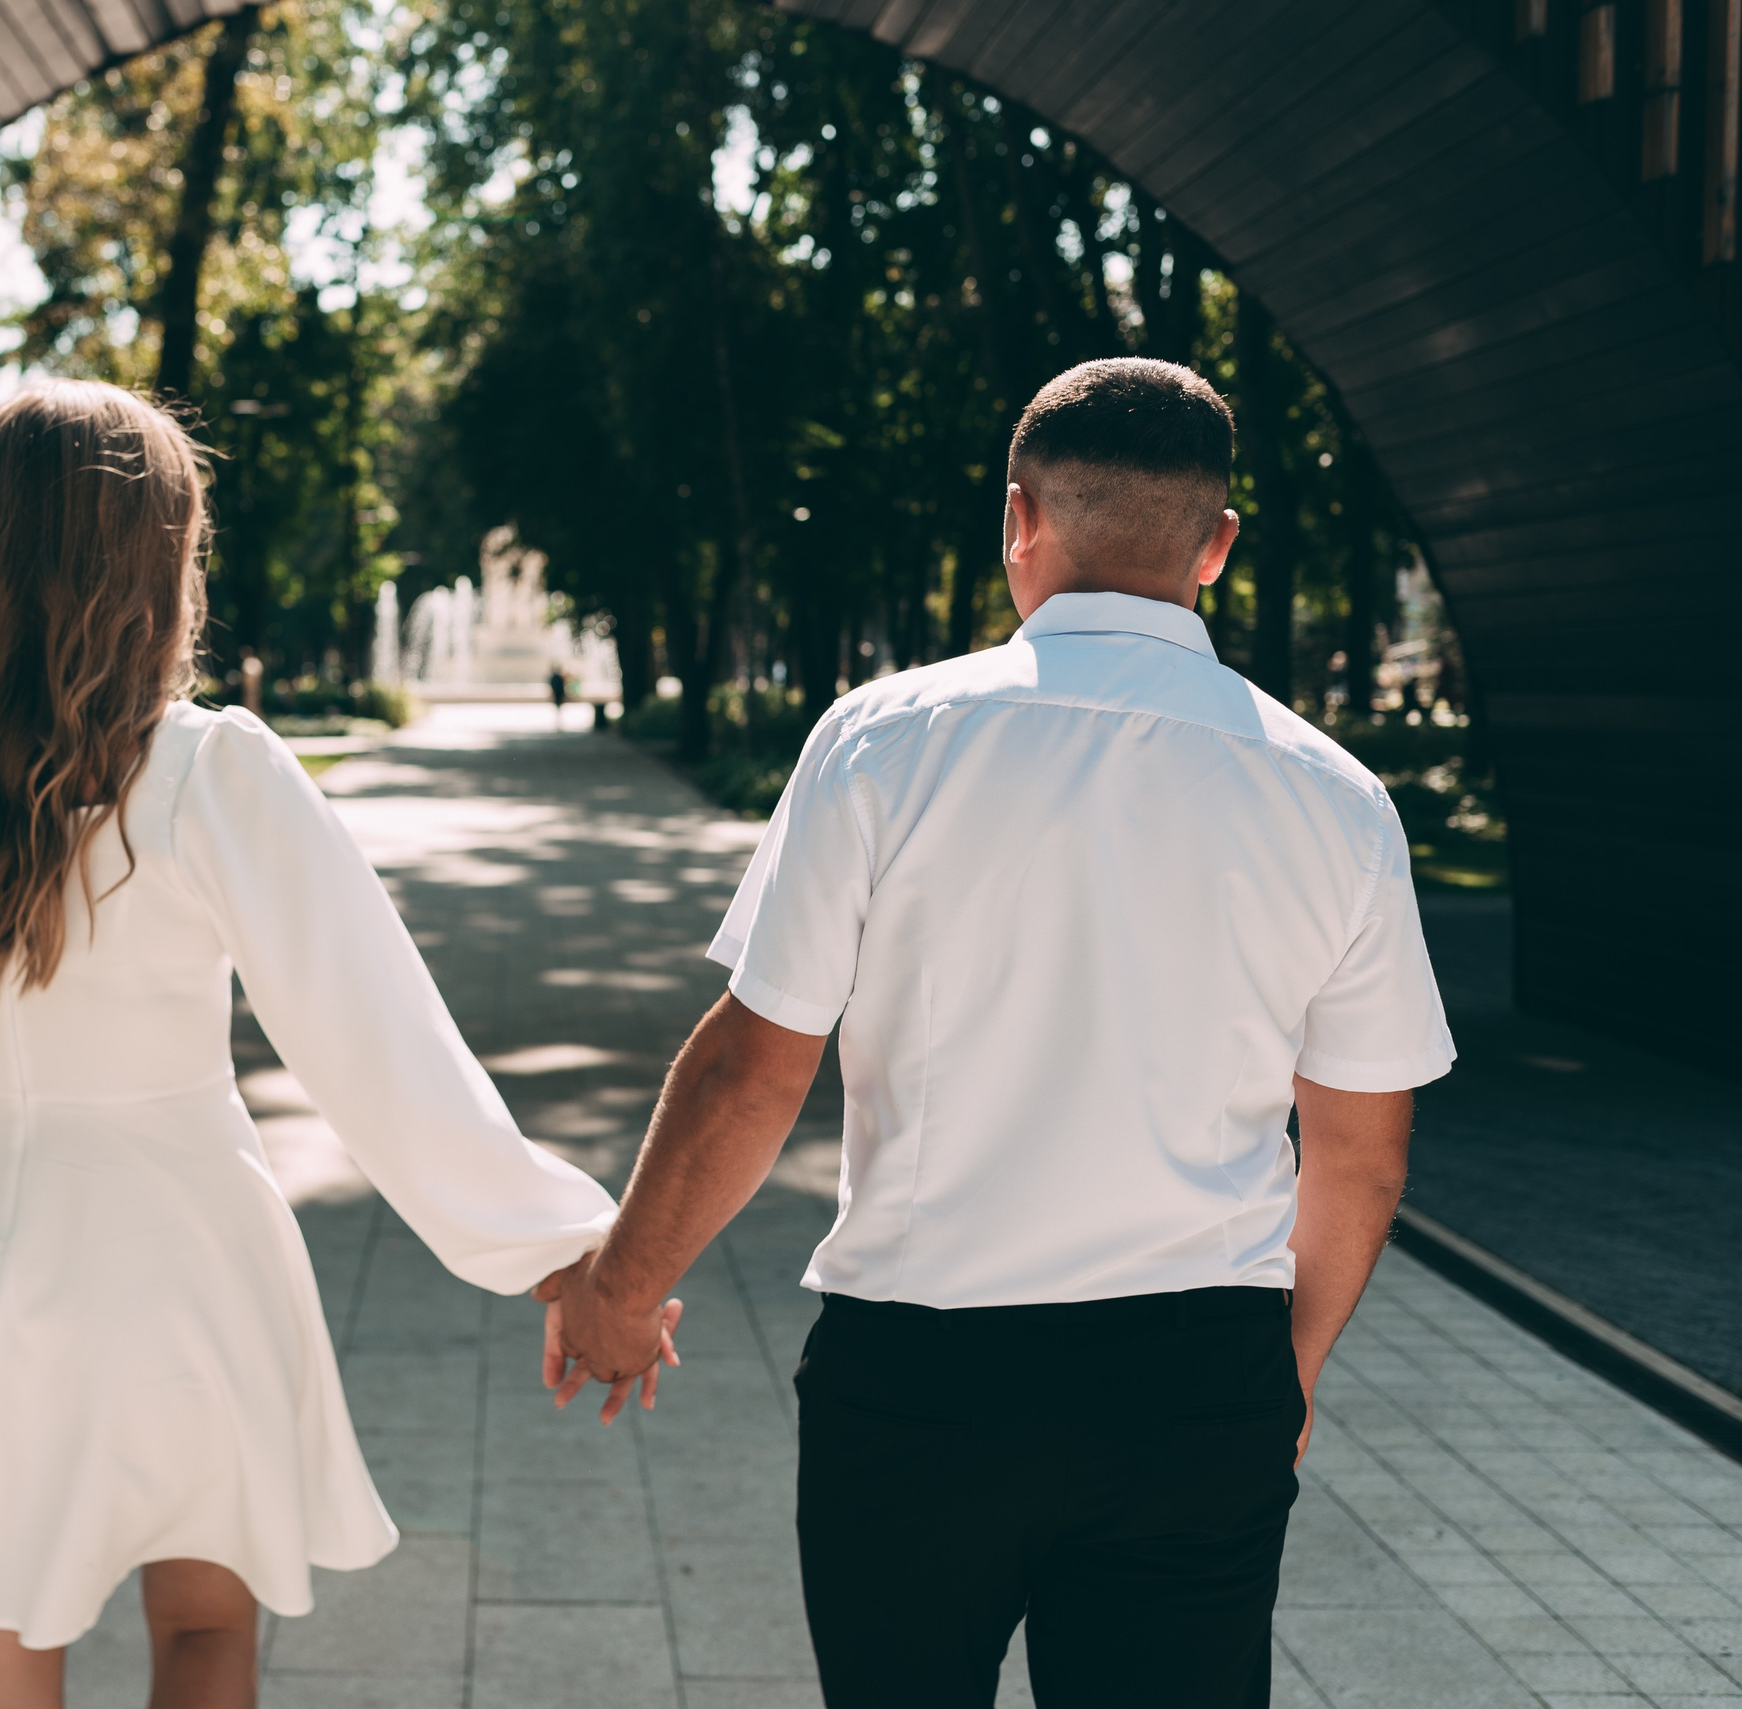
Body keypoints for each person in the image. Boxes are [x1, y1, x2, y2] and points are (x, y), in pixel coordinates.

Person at [541, 358, 1453, 1708]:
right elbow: (1362, 1154)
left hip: (924, 1380)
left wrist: (622, 1284)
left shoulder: (883, 741)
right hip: (1196, 1379)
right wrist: (1285, 1372)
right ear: (1218, 545)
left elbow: (754, 1063)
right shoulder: (1335, 793)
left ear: (1017, 520)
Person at [0, 380, 671, 1709]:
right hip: (175, 1258)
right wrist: (561, 1255)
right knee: (204, 1636)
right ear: (155, 562)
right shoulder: (206, 770)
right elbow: (376, 1049)